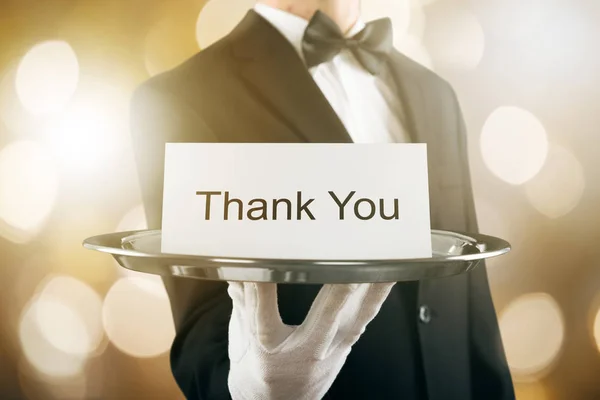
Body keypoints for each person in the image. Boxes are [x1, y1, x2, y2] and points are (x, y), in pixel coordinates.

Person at [130, 1, 515, 399]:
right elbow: (203, 336)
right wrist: (253, 392)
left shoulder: (436, 93)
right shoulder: (180, 98)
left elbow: (475, 313)